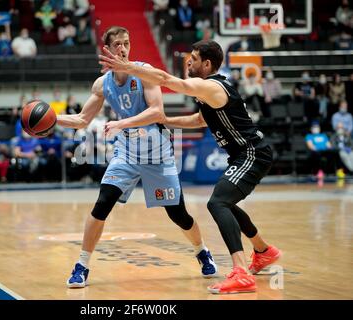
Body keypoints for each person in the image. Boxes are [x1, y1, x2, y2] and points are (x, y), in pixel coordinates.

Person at [100, 39, 281, 294]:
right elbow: (200, 119)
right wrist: (166, 120)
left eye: (194, 58)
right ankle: (263, 250)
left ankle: (241, 272)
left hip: (252, 153)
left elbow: (165, 79)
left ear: (207, 64)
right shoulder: (209, 92)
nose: (188, 61)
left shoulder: (211, 86)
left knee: (217, 203)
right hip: (245, 154)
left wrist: (128, 66)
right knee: (225, 202)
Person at [58, 26, 217, 288]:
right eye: (118, 44)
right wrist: (52, 121)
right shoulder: (102, 84)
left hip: (156, 152)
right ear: (107, 50)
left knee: (178, 214)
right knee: (103, 203)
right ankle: (82, 265)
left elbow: (157, 112)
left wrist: (122, 124)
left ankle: (202, 250)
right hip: (127, 153)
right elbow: (81, 120)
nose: (123, 48)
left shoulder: (145, 74)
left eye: (127, 43)